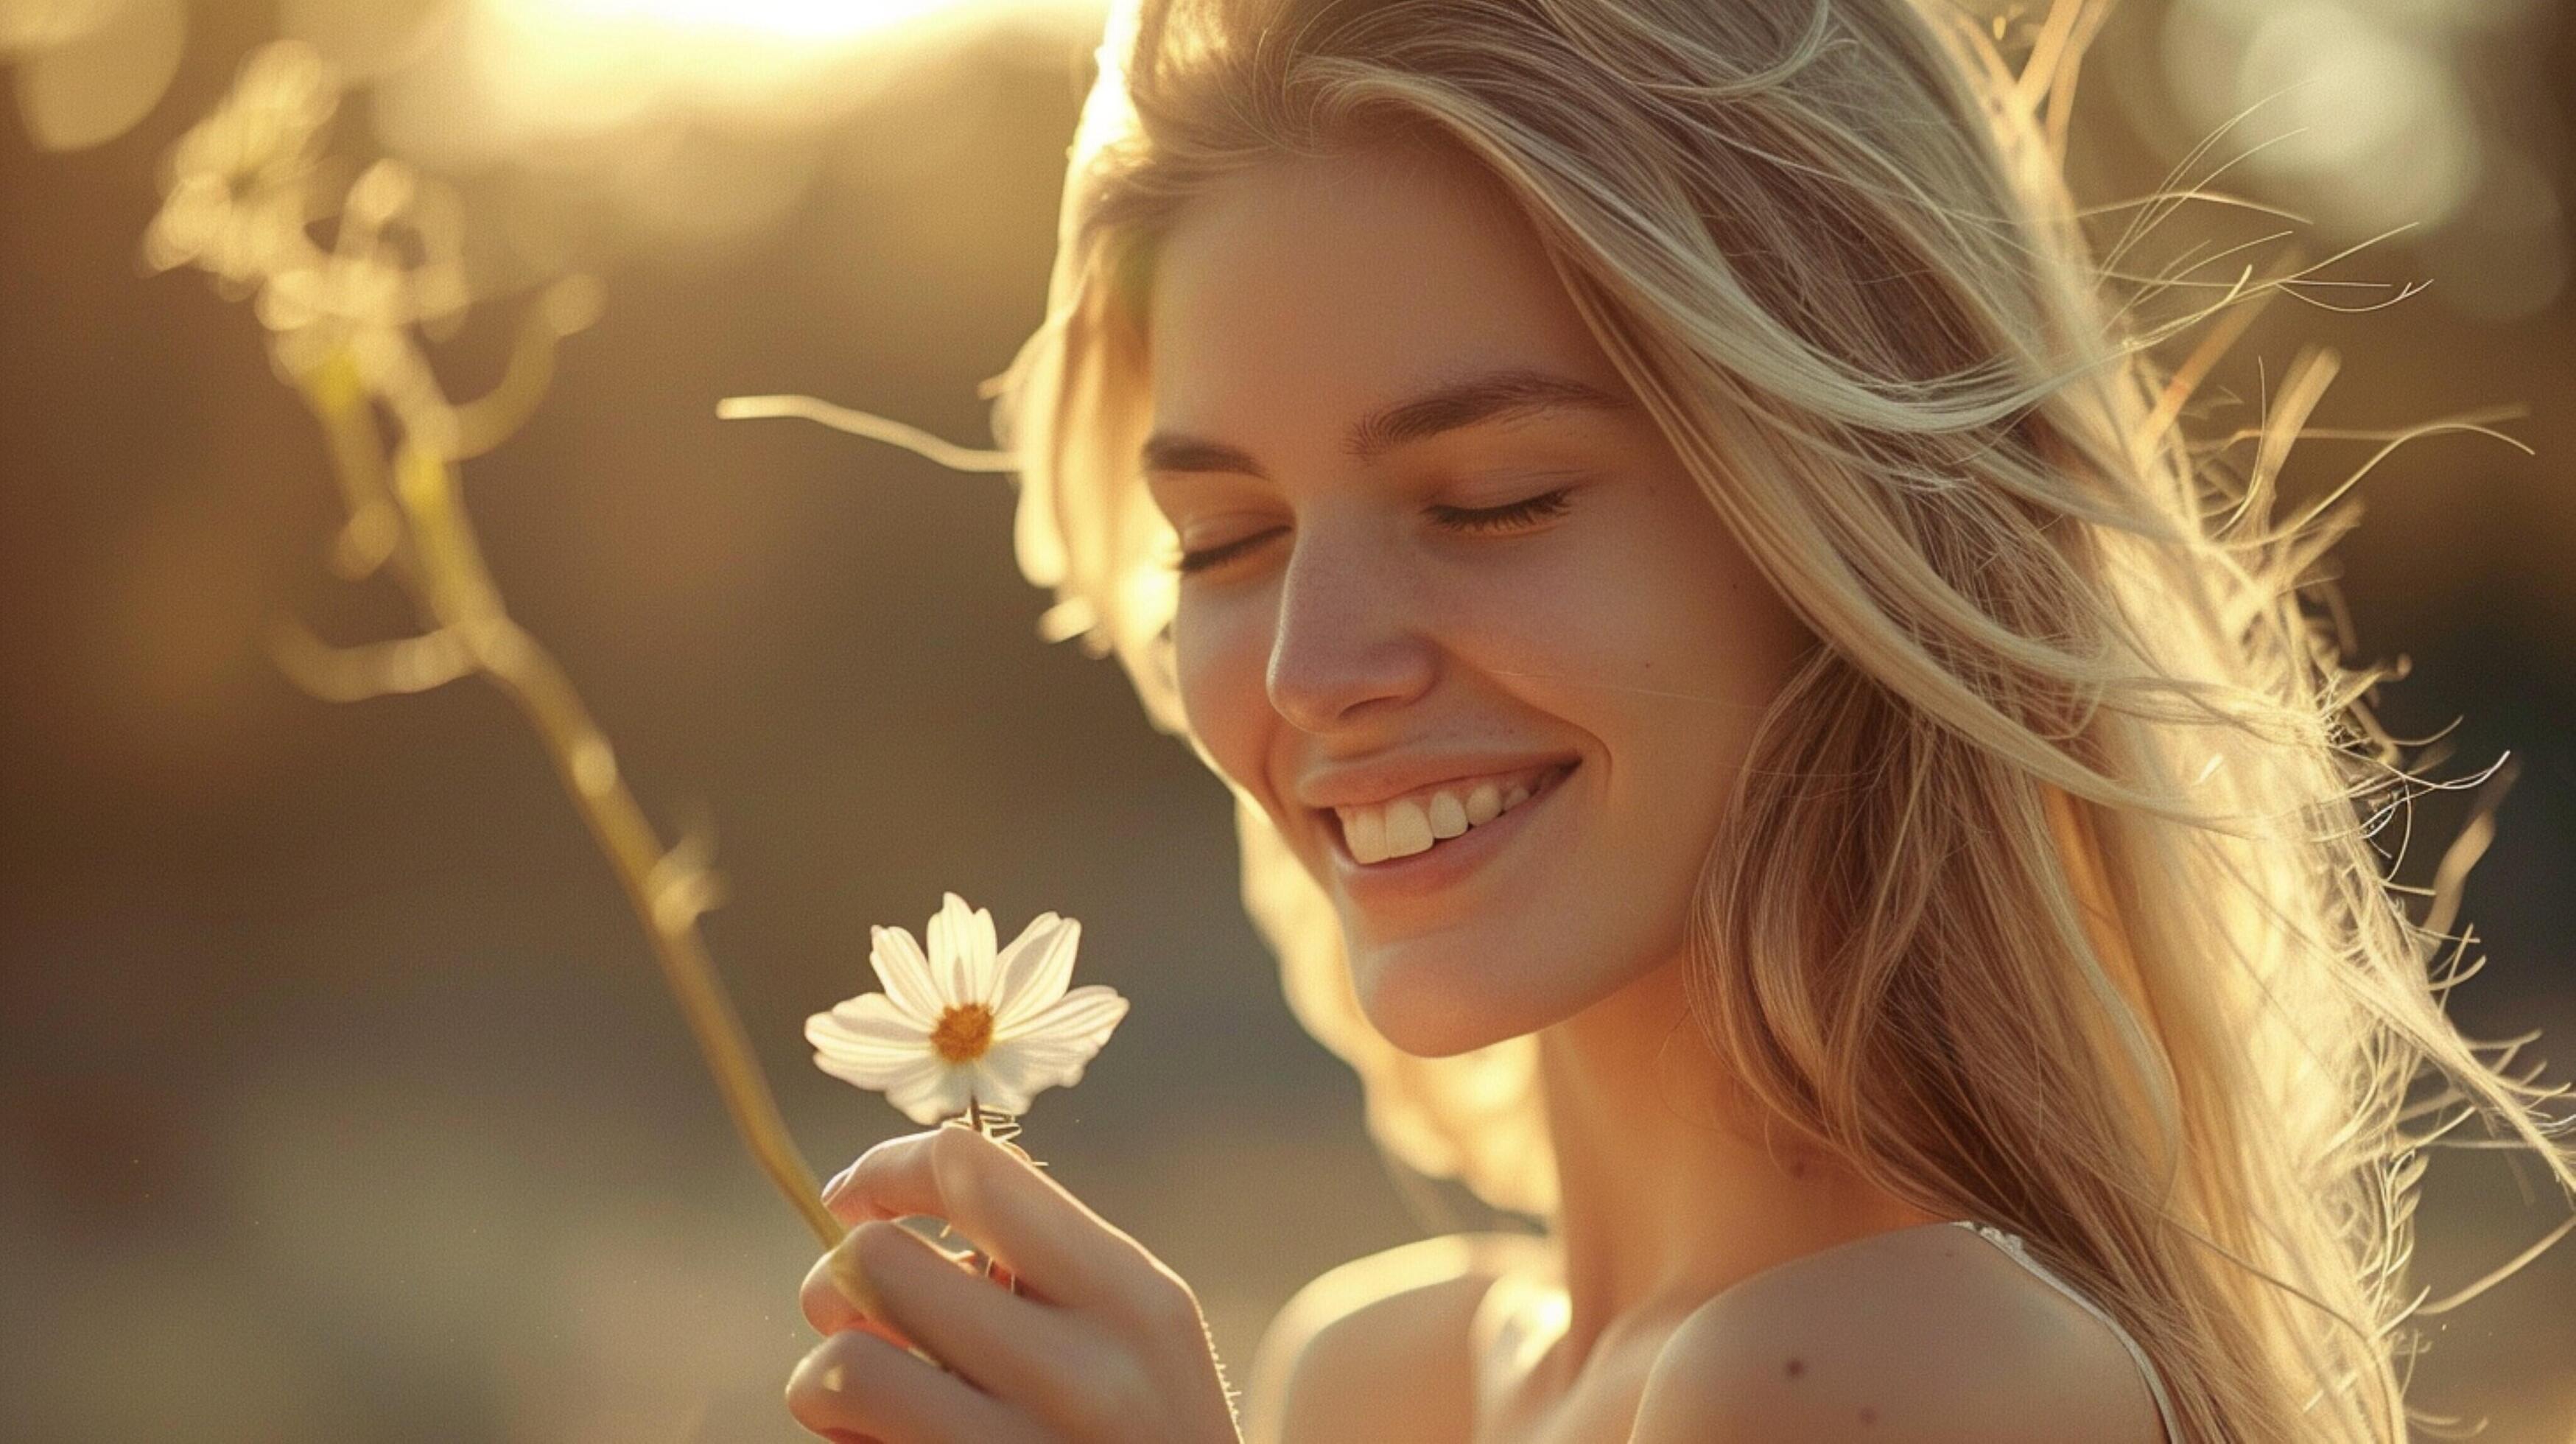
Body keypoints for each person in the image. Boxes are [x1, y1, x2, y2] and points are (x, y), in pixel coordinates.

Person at [784, 1, 2576, 1439]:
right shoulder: (1372, 1377)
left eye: (1489, 498)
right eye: (1226, 539)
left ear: (1842, 523)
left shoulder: (1898, 1377)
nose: (1314, 666)